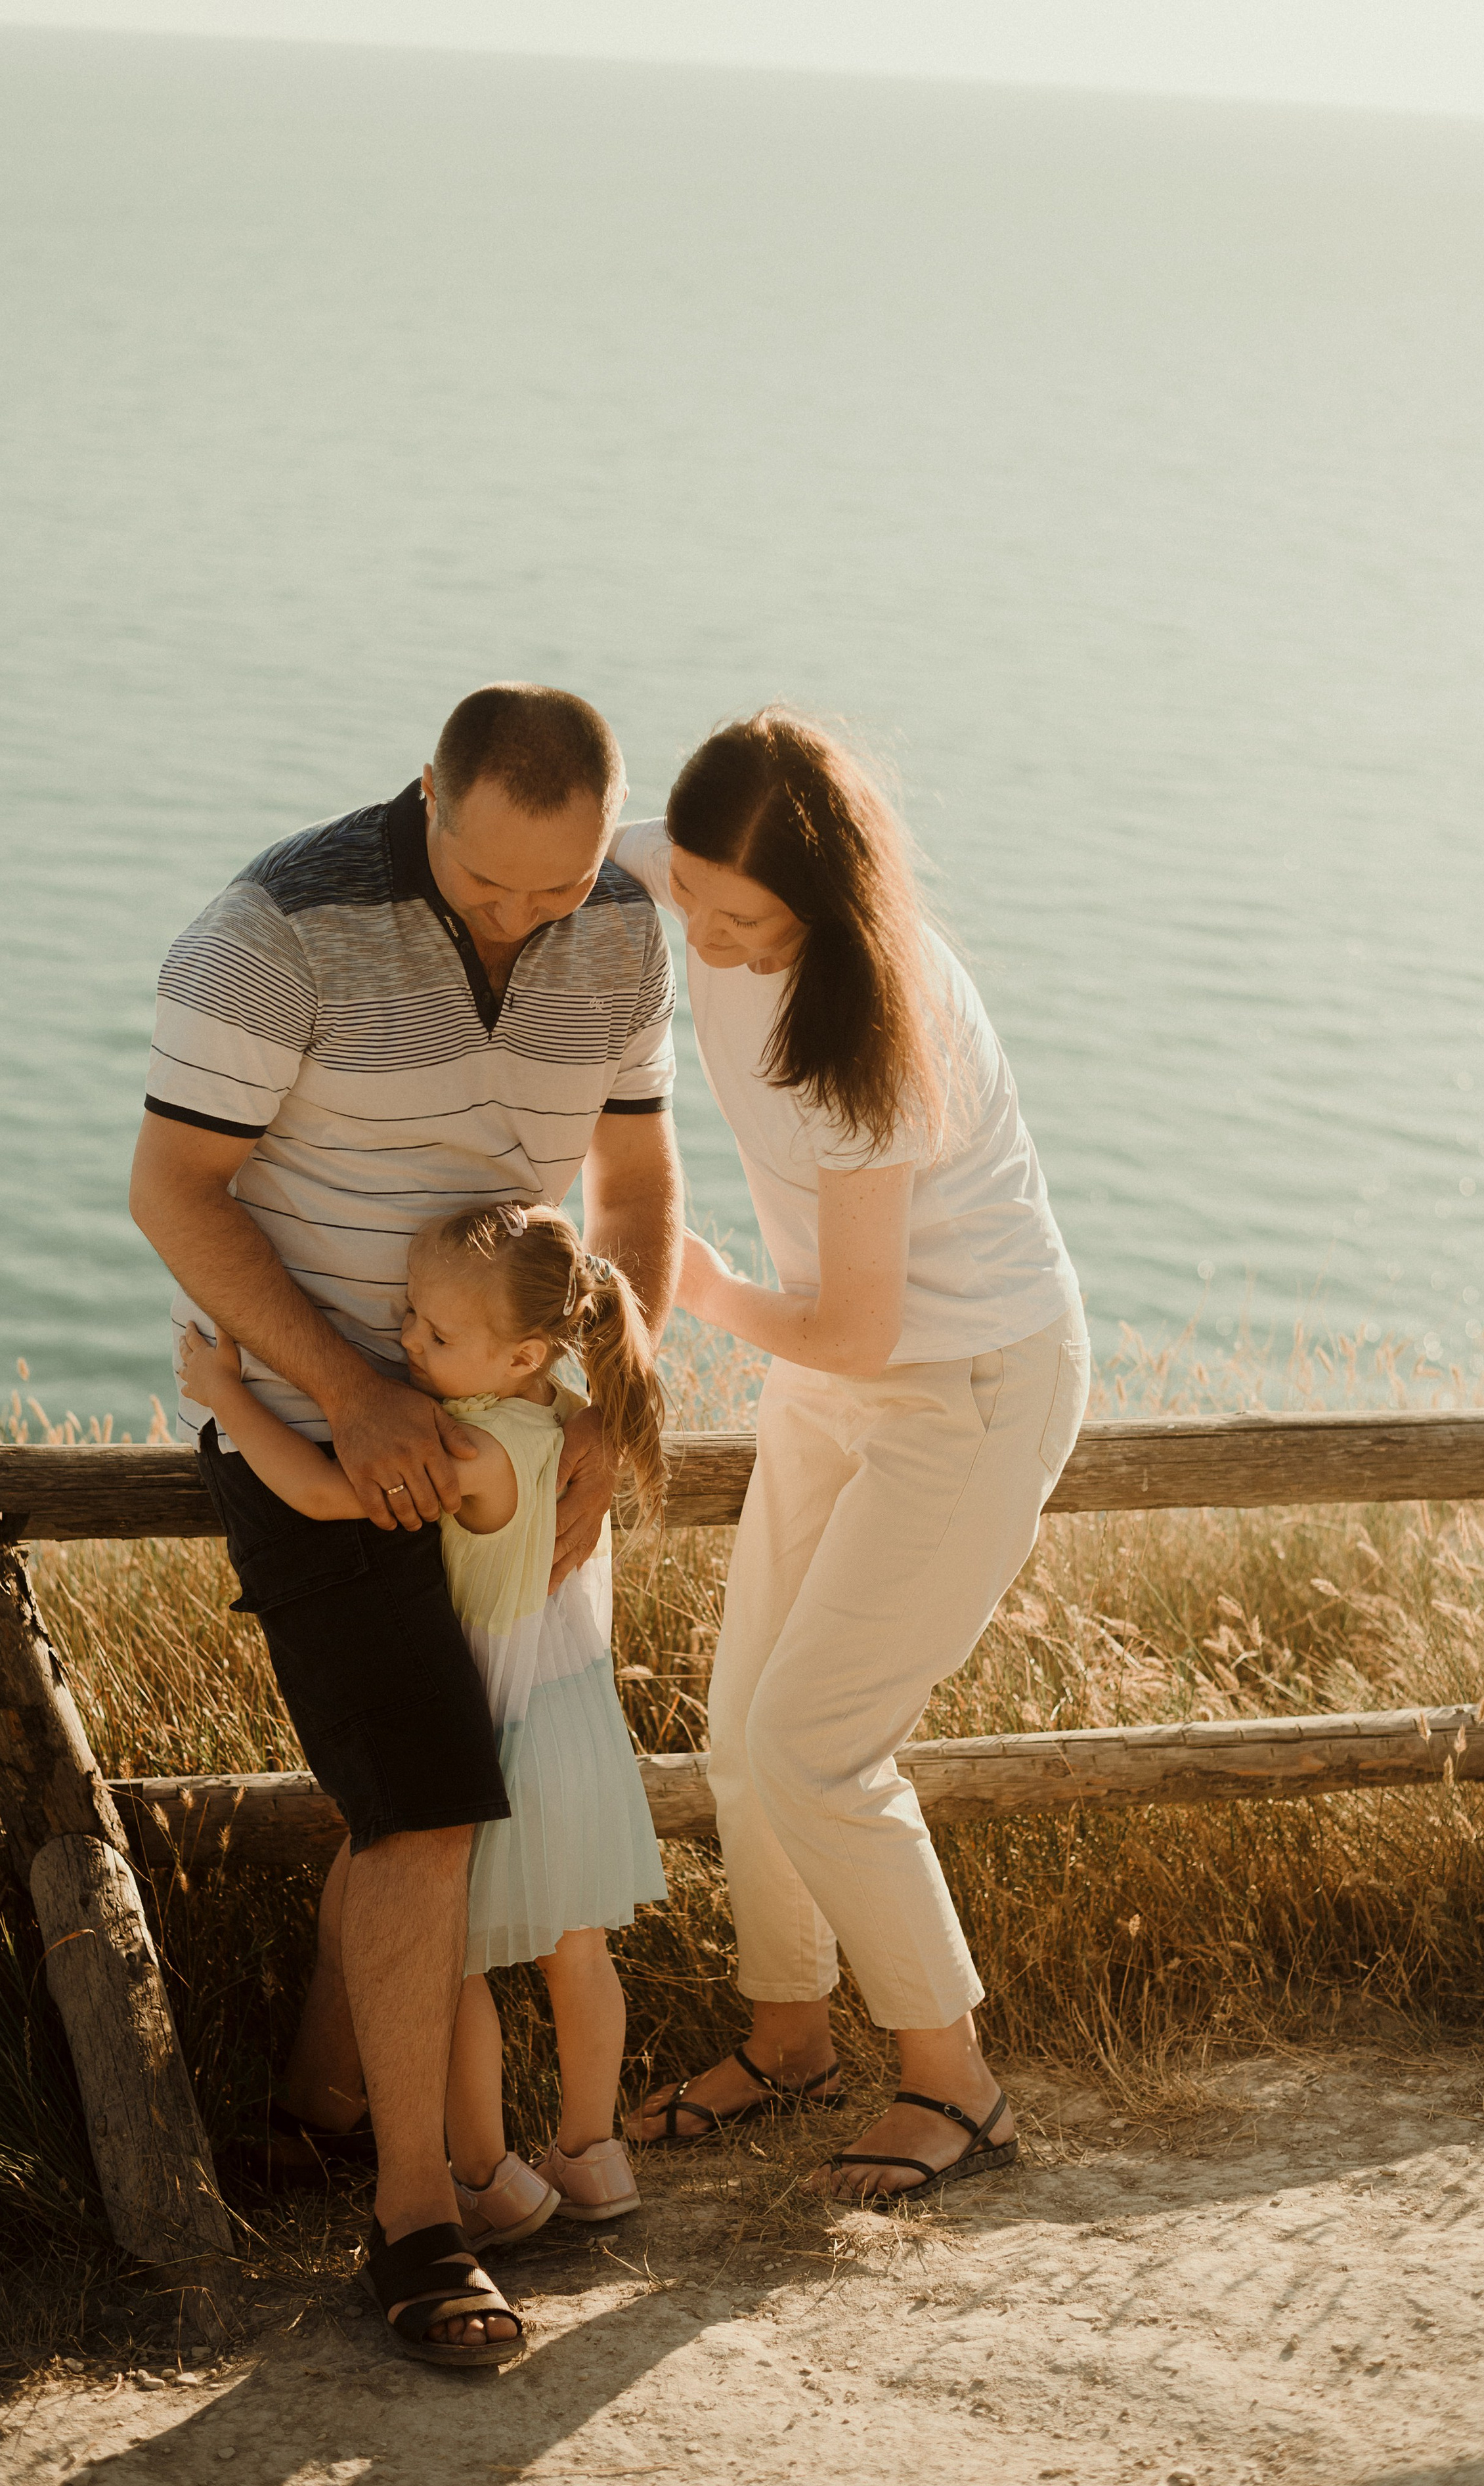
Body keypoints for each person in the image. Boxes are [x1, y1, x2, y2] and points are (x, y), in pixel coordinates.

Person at [129, 686, 682, 2366]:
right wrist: (351, 1397)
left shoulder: (627, 927)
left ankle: (309, 2106)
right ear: (427, 795)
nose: (530, 919)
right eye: (494, 881)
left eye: (563, 886)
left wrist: (598, 1406)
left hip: (517, 1437)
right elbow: (174, 1193)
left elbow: (639, 1196)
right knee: (435, 1802)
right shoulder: (272, 931)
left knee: (408, 1793)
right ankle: (418, 2228)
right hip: (326, 1435)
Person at [617, 708, 1089, 2204]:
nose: (708, 935)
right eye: (690, 897)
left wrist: (685, 1284)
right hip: (829, 1370)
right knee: (739, 1724)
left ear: (817, 911)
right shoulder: (691, 876)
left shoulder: (875, 1033)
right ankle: (787, 2038)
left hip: (957, 1382)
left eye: (742, 920)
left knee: (814, 1742)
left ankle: (955, 2085)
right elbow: (532, 857)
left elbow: (857, 1327)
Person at [178, 1201, 666, 2362]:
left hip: (497, 1720)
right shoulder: (565, 1409)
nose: (404, 1343)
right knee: (577, 1947)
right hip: (572, 1714)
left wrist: (228, 1393)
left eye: (433, 1334)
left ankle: (489, 2178)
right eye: (406, 1315)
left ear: (520, 1354)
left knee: (446, 1964)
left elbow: (318, 1493)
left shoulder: (472, 1446)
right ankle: (593, 2158)